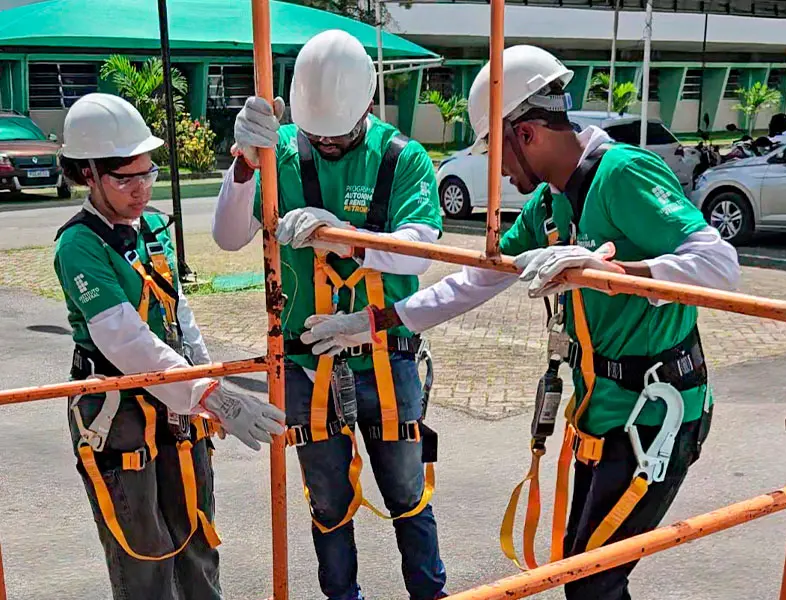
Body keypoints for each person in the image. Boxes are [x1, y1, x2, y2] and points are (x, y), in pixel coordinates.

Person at [298, 45, 741, 599]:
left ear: (525, 134)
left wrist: (611, 273)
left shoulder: (622, 175)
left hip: (659, 414)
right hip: (605, 413)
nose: (500, 171)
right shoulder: (549, 206)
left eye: (495, 152)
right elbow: (476, 281)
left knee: (592, 581)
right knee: (586, 576)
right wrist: (374, 322)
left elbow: (720, 265)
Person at [211, 29, 447, 600]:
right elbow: (228, 236)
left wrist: (344, 238)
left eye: (337, 134)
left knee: (407, 492)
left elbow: (420, 246)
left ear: (367, 104)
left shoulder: (400, 157)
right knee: (328, 501)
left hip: (385, 358)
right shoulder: (279, 153)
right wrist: (243, 167)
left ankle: (429, 592)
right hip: (306, 362)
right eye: (317, 134)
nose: (326, 144)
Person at [54, 93, 286, 600]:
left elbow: (179, 314)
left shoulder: (154, 226)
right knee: (145, 554)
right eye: (125, 179)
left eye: (148, 174)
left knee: (196, 535)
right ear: (89, 174)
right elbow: (126, 341)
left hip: (179, 400)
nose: (141, 189)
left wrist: (207, 381)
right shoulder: (78, 246)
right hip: (118, 411)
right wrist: (211, 396)